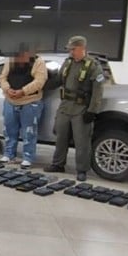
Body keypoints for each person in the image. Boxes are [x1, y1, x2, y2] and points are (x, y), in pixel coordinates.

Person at [44, 35, 104, 181]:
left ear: (82, 48)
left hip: (81, 108)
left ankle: (82, 169)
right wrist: (46, 82)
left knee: (81, 141)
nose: (71, 52)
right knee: (61, 137)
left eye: (73, 49)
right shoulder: (68, 63)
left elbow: (98, 91)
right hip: (65, 107)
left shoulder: (93, 66)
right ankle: (58, 164)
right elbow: (59, 80)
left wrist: (92, 111)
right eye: (70, 49)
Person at [0, 49, 48, 168]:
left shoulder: (39, 62)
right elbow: (2, 77)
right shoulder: (10, 60)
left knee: (29, 132)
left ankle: (28, 158)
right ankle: (9, 154)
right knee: (9, 130)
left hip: (30, 102)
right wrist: (7, 89)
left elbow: (39, 81)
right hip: (10, 101)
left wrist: (23, 91)